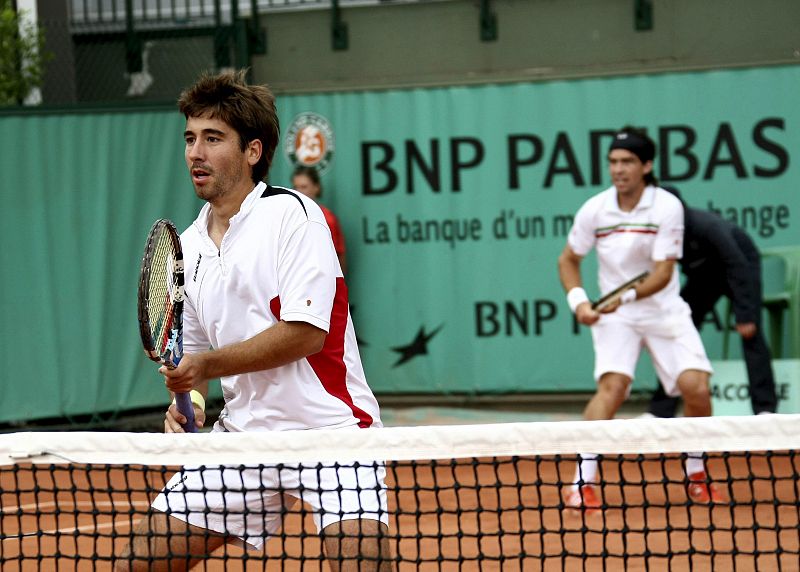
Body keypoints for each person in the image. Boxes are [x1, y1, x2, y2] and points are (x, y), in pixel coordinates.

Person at [116, 70, 392, 571]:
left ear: (252, 151)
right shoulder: (188, 247)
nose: (195, 153)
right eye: (190, 139)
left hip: (332, 433)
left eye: (213, 138)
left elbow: (306, 334)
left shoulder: (294, 216)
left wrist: (205, 366)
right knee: (137, 563)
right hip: (243, 438)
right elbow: (194, 353)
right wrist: (189, 402)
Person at [557, 126, 725, 511]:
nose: (618, 169)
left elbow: (663, 273)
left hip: (663, 309)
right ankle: (580, 483)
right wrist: (579, 302)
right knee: (612, 388)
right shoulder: (595, 208)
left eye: (628, 162)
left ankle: (696, 473)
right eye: (613, 162)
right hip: (617, 318)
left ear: (646, 166)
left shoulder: (666, 206)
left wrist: (625, 296)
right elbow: (568, 259)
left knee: (697, 388)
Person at [645, 187, 777, 417]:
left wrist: (745, 313)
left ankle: (765, 410)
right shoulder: (660, 231)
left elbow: (736, 264)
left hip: (739, 268)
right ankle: (660, 411)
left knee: (751, 333)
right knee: (676, 332)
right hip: (703, 276)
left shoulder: (706, 226)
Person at [292, 165, 348, 274]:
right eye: (296, 187)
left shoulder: (327, 218)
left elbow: (339, 256)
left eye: (304, 187)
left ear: (316, 188)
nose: (298, 191)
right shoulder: (288, 217)